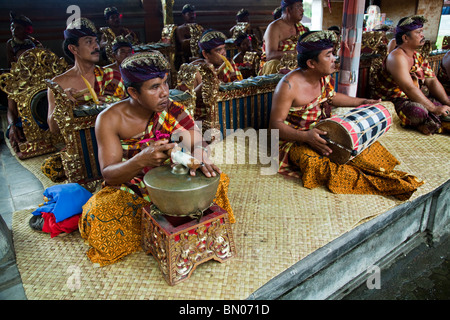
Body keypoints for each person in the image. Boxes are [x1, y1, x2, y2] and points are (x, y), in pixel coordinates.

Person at [79, 51, 234, 266]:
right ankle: (166, 225)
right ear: (133, 92)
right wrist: (140, 160)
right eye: (154, 87)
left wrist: (199, 154)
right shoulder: (109, 119)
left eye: (165, 83)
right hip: (130, 189)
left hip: (172, 182)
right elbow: (109, 175)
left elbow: (198, 142)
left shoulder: (172, 108)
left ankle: (164, 225)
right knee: (99, 212)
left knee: (218, 180)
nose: (164, 92)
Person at [269, 30, 423, 200]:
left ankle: (390, 178)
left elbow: (332, 96)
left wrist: (362, 102)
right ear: (311, 63)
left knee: (361, 148)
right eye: (328, 55)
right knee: (319, 165)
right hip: (295, 141)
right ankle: (390, 186)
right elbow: (274, 125)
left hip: (323, 132)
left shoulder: (322, 76)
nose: (334, 58)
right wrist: (306, 137)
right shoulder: (288, 86)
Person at [47, 17, 126, 134]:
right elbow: (54, 129)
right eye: (89, 42)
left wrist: (108, 102)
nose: (96, 47)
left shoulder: (112, 76)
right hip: (78, 145)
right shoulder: (58, 84)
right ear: (73, 48)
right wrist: (62, 104)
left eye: (96, 41)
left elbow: (126, 115)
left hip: (113, 139)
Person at [373, 16, 450, 135]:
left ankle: (430, 124)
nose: (422, 35)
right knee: (418, 112)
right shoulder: (396, 57)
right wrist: (433, 109)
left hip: (413, 98)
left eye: (422, 31)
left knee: (442, 106)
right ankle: (430, 123)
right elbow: (409, 88)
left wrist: (446, 102)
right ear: (405, 38)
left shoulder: (417, 56)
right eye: (418, 32)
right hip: (393, 101)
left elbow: (432, 81)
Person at [5, 12, 43, 152]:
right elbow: (11, 110)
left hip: (43, 118)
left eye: (18, 27)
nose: (14, 30)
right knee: (16, 132)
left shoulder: (35, 43)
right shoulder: (16, 81)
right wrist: (11, 126)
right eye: (12, 27)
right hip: (27, 121)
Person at [259, 0, 309, 75]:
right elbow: (270, 56)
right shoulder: (274, 27)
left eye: (302, 6)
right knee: (274, 64)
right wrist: (295, 53)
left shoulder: (301, 28)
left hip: (296, 65)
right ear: (288, 9)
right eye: (298, 6)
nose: (302, 10)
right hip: (277, 68)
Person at [175, 4, 203, 68]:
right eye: (189, 14)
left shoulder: (199, 27)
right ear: (183, 15)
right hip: (187, 55)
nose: (192, 16)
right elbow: (183, 42)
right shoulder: (180, 28)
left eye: (193, 14)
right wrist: (196, 39)